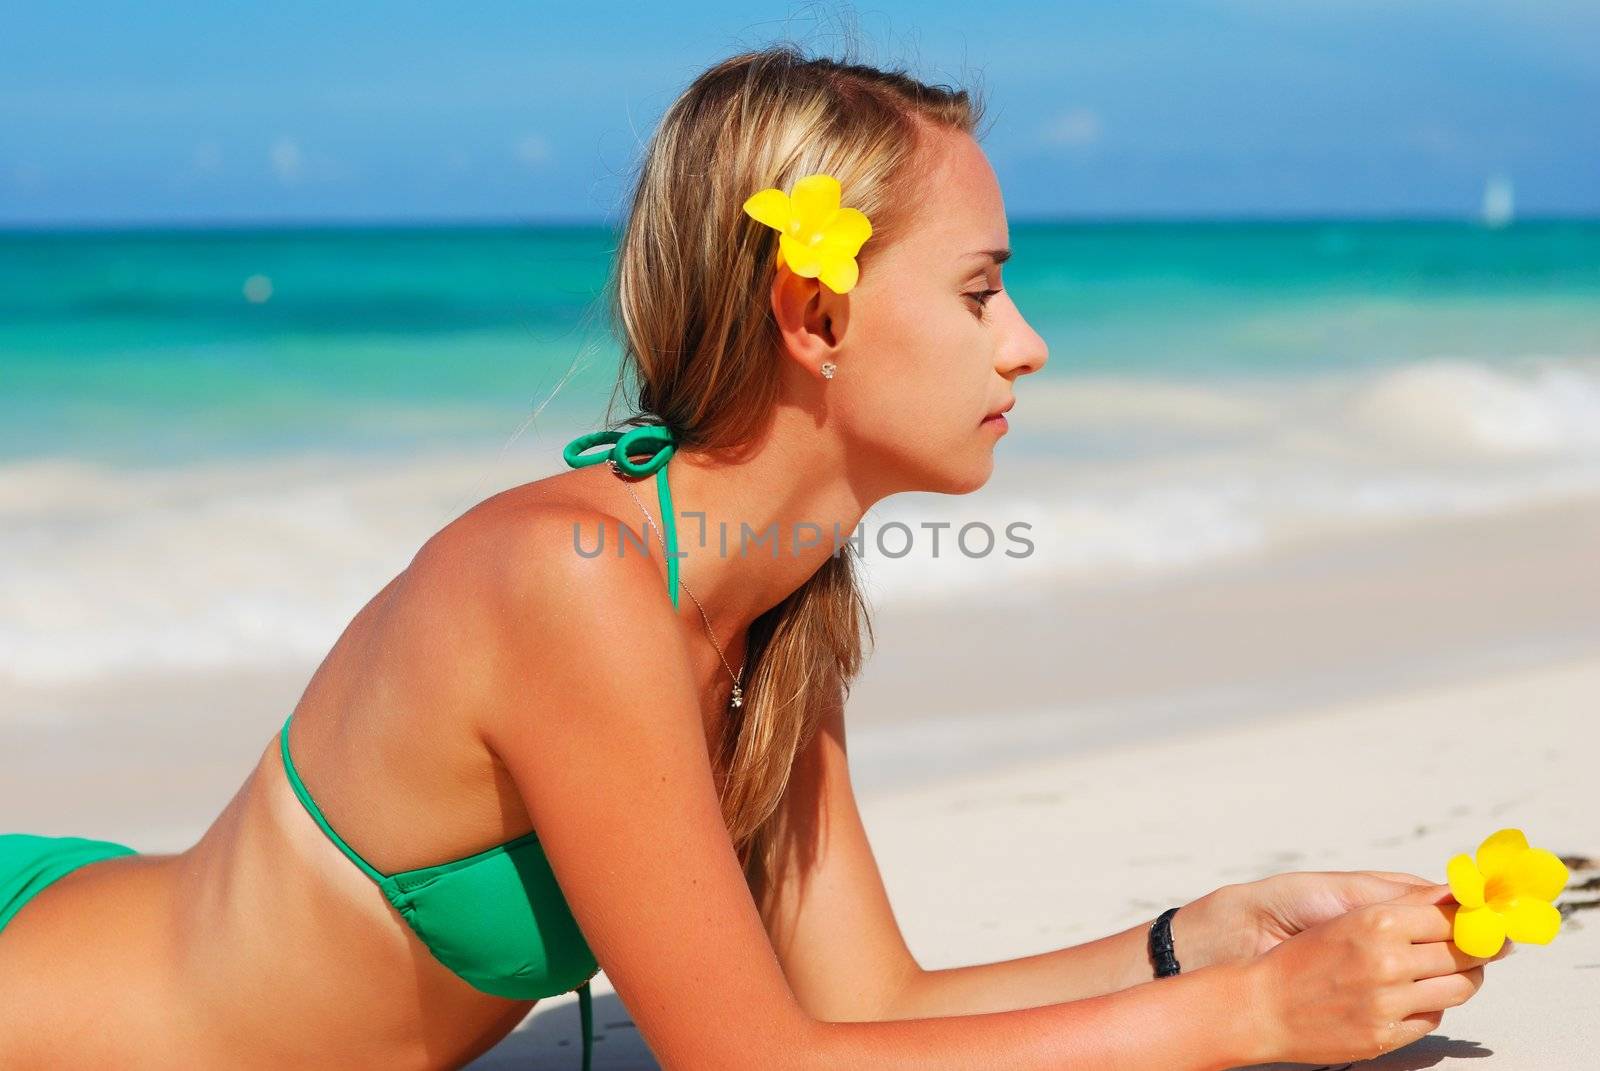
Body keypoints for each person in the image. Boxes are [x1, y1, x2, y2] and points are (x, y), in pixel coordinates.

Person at [0, 43, 1499, 1070]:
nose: (1027, 347)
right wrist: (1256, 1019)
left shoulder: (771, 612)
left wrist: (1198, 944)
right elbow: (759, 1064)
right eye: (979, 293)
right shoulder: (570, 586)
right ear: (818, 314)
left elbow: (868, 1009)